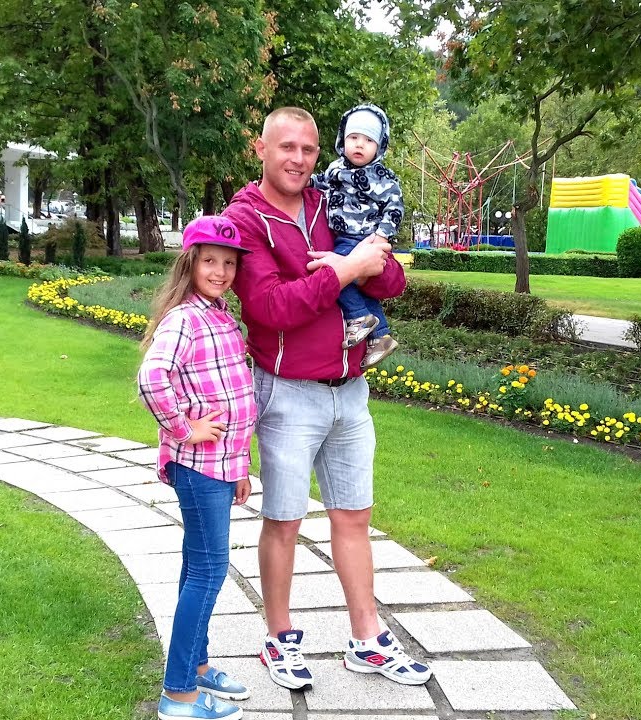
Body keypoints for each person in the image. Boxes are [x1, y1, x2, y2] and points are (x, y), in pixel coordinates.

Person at [222, 107, 433, 691]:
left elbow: (392, 280)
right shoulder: (245, 219)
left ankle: (367, 640)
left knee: (354, 517)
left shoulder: (331, 200)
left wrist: (361, 266)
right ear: (261, 149)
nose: (298, 159)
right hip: (288, 394)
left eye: (309, 149)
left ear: (321, 152)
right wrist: (346, 269)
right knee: (284, 521)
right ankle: (279, 637)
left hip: (351, 390)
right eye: (286, 147)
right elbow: (272, 308)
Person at [137, 215, 257, 720]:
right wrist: (184, 430)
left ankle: (198, 664)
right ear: (190, 264)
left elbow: (233, 396)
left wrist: (240, 467)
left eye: (229, 263)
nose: (220, 271)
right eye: (210, 261)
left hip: (221, 466)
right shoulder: (184, 319)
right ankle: (179, 694)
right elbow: (152, 378)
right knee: (208, 572)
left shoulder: (221, 315)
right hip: (198, 465)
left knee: (196, 567)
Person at [312, 103, 403, 368]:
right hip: (342, 235)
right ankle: (381, 336)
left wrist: (383, 236)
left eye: (368, 140)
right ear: (343, 140)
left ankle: (358, 317)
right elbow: (320, 181)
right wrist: (305, 181)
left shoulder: (382, 177)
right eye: (353, 137)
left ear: (379, 146)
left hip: (364, 238)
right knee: (356, 283)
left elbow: (395, 207)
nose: (359, 144)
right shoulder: (335, 169)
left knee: (336, 272)